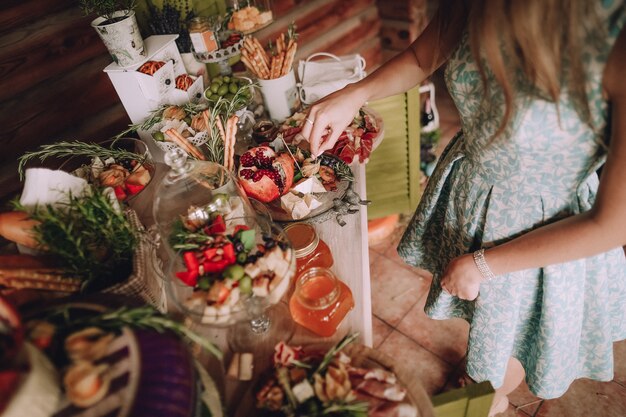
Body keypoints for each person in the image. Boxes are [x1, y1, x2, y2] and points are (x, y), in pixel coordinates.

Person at [301, 0, 626, 415]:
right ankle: (479, 379)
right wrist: (355, 94)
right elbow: (423, 56)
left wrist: (484, 264)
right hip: (470, 194)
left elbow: (613, 224)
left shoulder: (615, 38)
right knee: (484, 320)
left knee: (505, 340)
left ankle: (485, 398)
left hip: (542, 236)